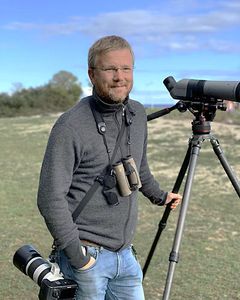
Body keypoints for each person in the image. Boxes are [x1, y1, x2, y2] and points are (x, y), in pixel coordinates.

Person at [37, 35, 182, 300]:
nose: (119, 76)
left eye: (126, 68)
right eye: (110, 69)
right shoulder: (70, 126)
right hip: (85, 256)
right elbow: (49, 198)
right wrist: (78, 258)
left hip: (125, 255)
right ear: (92, 74)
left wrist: (160, 196)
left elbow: (140, 167)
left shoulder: (137, 115)